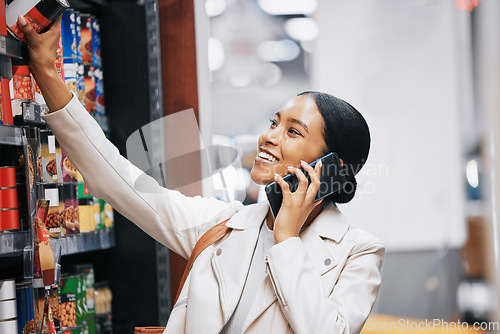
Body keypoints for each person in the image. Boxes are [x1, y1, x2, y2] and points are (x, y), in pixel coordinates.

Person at [19, 14, 384, 334]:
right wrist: (46, 70)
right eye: (273, 122)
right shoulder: (222, 226)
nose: (268, 136)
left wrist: (286, 237)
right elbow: (116, 178)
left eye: (292, 131)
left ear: (330, 167)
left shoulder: (358, 253)